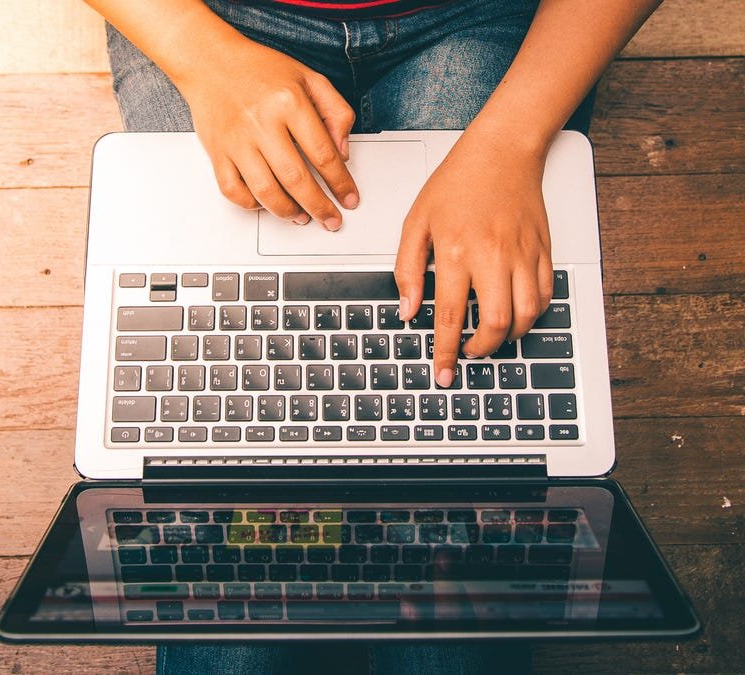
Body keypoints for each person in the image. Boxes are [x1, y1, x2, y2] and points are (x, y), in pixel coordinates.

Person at [82, 0, 660, 672]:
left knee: (449, 612)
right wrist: (198, 52)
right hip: (202, 13)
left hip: (478, 13)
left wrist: (510, 140)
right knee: (228, 609)